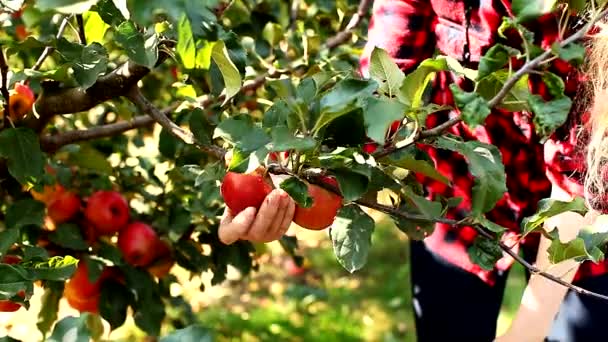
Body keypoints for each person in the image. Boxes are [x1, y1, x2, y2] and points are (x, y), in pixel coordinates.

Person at [218, 1, 608, 341]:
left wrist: (526, 330)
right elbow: (383, 89)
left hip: (585, 222)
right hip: (457, 198)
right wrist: (276, 179)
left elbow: (586, 161)